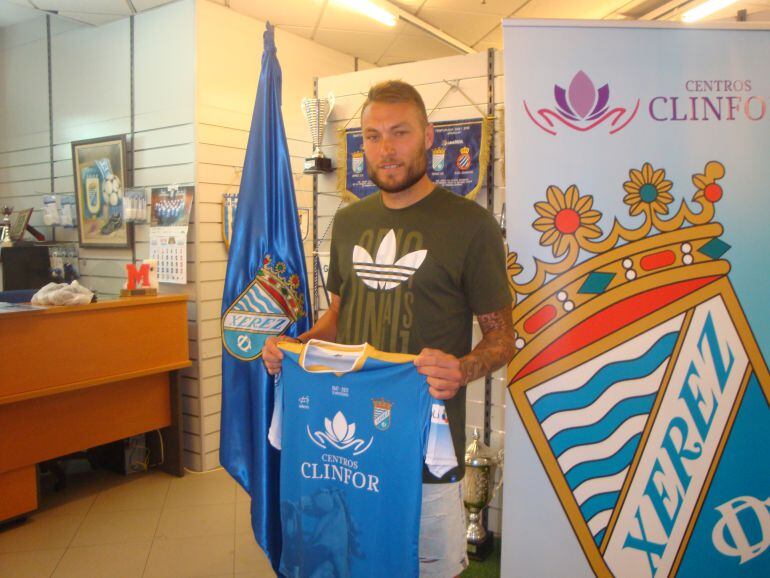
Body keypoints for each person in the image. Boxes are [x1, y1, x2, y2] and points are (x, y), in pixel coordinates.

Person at [263, 79, 516, 577]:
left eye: (400, 133)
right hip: (345, 448)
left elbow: (503, 337)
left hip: (423, 455)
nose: (386, 149)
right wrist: (295, 349)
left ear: (429, 136)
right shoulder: (349, 222)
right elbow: (339, 318)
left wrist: (462, 369)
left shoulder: (471, 225)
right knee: (346, 563)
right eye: (373, 136)